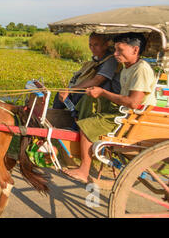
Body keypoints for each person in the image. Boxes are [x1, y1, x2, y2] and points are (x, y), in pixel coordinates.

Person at [62, 32, 157, 183]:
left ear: (135, 50)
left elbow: (133, 103)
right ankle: (79, 130)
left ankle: (84, 169)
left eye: (120, 50)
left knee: (88, 126)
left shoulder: (141, 69)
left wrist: (103, 92)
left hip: (134, 117)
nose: (115, 54)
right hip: (125, 111)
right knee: (88, 99)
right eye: (115, 50)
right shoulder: (128, 67)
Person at [53, 33, 121, 113]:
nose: (92, 48)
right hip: (94, 90)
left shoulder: (111, 60)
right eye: (90, 45)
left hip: (106, 95)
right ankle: (55, 116)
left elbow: (97, 80)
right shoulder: (97, 59)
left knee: (79, 94)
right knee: (60, 94)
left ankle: (75, 118)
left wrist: (72, 90)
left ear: (105, 45)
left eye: (96, 45)